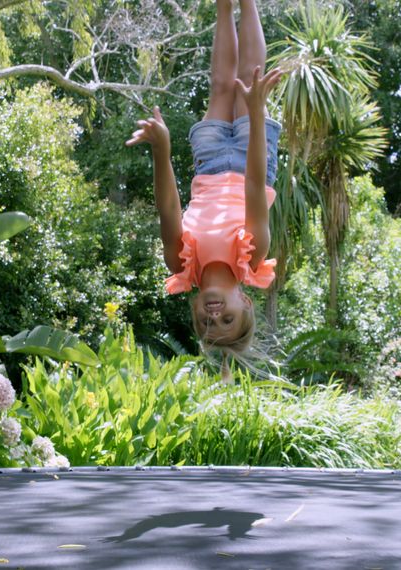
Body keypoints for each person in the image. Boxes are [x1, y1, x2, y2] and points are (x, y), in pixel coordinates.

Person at [126, 0, 282, 375]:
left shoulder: (182, 264)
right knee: (247, 79)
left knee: (220, 86)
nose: (214, 318)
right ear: (244, 303)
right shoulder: (253, 255)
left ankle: (224, 7)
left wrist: (162, 150)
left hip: (210, 165)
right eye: (228, 321)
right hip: (251, 156)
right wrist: (256, 114)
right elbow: (254, 186)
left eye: (206, 325)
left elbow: (167, 209)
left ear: (194, 312)